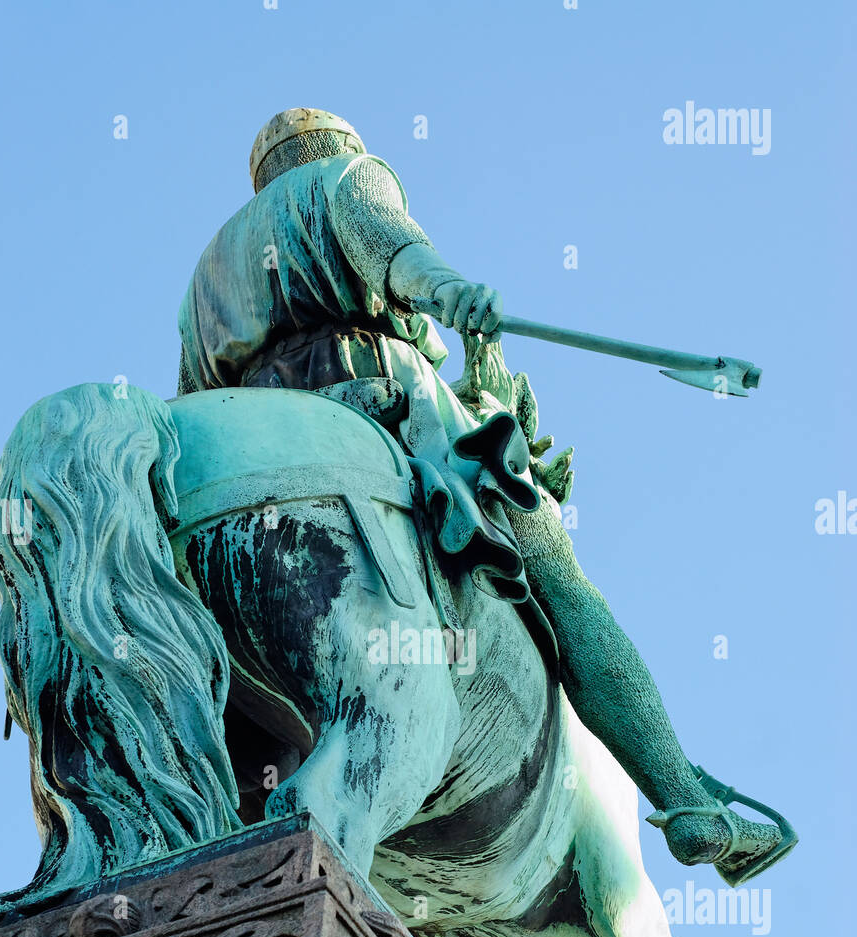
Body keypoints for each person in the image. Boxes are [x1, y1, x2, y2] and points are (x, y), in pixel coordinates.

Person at [177, 107, 793, 885]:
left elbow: (195, 411)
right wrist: (455, 295)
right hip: (379, 400)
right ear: (338, 148)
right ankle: (686, 801)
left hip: (245, 428)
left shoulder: (208, 267)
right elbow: (399, 256)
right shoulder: (347, 181)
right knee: (559, 574)